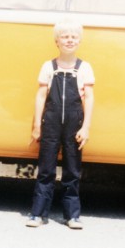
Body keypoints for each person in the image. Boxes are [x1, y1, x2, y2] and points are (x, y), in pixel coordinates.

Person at [26, 19, 95, 229]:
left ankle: (72, 215)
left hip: (74, 124)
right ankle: (38, 214)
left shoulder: (84, 68)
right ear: (57, 41)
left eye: (74, 37)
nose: (69, 40)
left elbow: (89, 98)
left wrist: (86, 127)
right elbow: (40, 96)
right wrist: (37, 124)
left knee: (72, 170)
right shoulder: (49, 66)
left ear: (79, 41)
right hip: (51, 123)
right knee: (46, 169)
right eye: (65, 36)